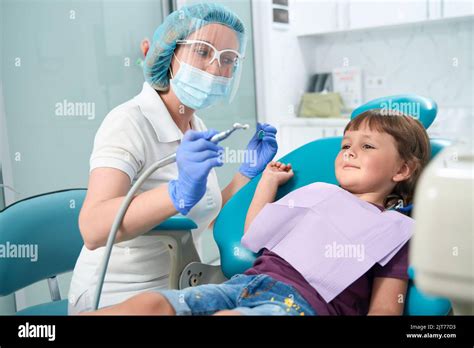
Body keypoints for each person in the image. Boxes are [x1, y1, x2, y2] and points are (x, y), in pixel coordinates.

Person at [82, 109, 431, 316]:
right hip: (245, 285)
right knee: (150, 305)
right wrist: (265, 179)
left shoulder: (395, 230)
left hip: (300, 307)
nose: (349, 153)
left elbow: (386, 308)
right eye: (345, 145)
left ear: (402, 170)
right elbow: (257, 231)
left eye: (366, 146)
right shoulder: (317, 195)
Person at [68, 3, 278, 314]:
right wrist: (176, 192)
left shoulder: (194, 124)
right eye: (203, 52)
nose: (216, 68)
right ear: (169, 53)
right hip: (115, 298)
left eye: (229, 59)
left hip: (177, 289)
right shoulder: (128, 122)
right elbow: (93, 229)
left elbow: (204, 219)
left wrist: (246, 174)